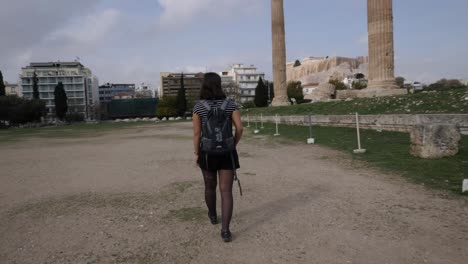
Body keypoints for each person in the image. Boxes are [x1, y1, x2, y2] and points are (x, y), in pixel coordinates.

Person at [192, 72, 243, 242]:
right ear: (219, 84)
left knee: (209, 186)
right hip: (227, 152)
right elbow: (240, 128)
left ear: (204, 85)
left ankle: (213, 215)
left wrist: (196, 153)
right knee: (226, 190)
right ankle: (226, 231)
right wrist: (232, 144)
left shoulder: (199, 107)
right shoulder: (230, 104)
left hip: (207, 152)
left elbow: (197, 133)